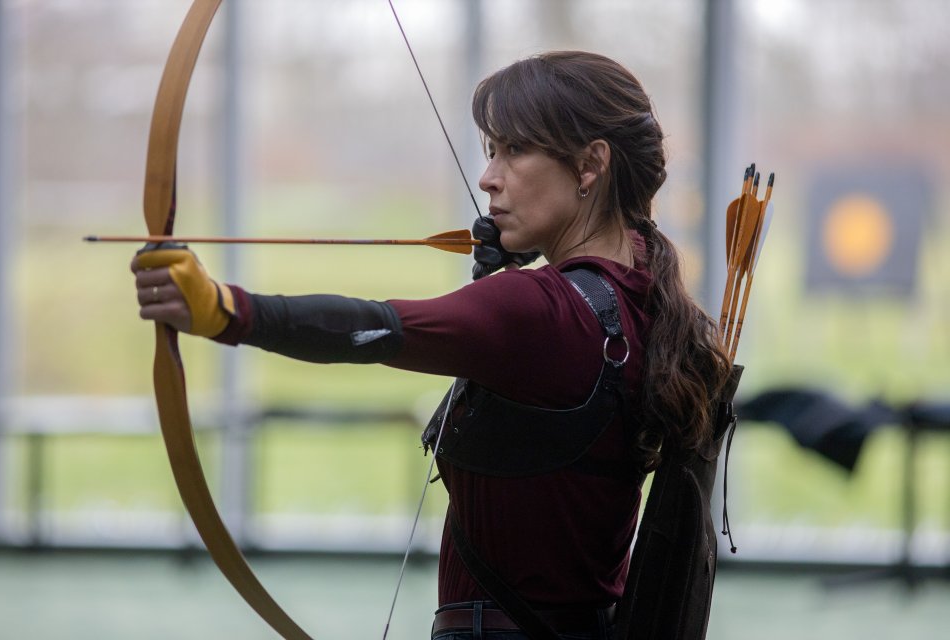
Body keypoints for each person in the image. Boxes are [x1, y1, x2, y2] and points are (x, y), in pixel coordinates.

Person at [132, 51, 731, 640]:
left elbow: (377, 327)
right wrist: (539, 259)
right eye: (490, 150)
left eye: (514, 149)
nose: (488, 176)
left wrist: (225, 310)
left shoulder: (537, 310)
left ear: (589, 166)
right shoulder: (649, 294)